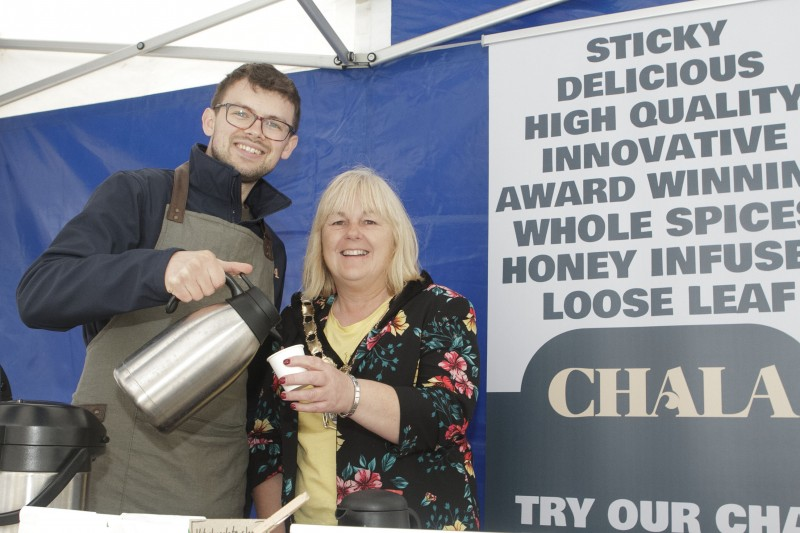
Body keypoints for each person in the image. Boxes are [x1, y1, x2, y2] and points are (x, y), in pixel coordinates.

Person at [16, 63, 301, 518]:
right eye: (240, 113)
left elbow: (252, 390)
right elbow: (39, 295)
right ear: (210, 120)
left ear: (288, 146)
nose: (255, 131)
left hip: (215, 481)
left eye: (274, 124)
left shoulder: (273, 250)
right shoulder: (141, 195)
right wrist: (159, 270)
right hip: (117, 465)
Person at [248, 167, 481, 530]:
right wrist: (273, 527)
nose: (352, 233)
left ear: (396, 238)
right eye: (337, 222)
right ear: (320, 240)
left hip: (416, 523)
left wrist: (349, 394)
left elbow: (447, 417)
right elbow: (265, 438)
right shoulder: (293, 322)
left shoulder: (442, 309)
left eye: (370, 221)